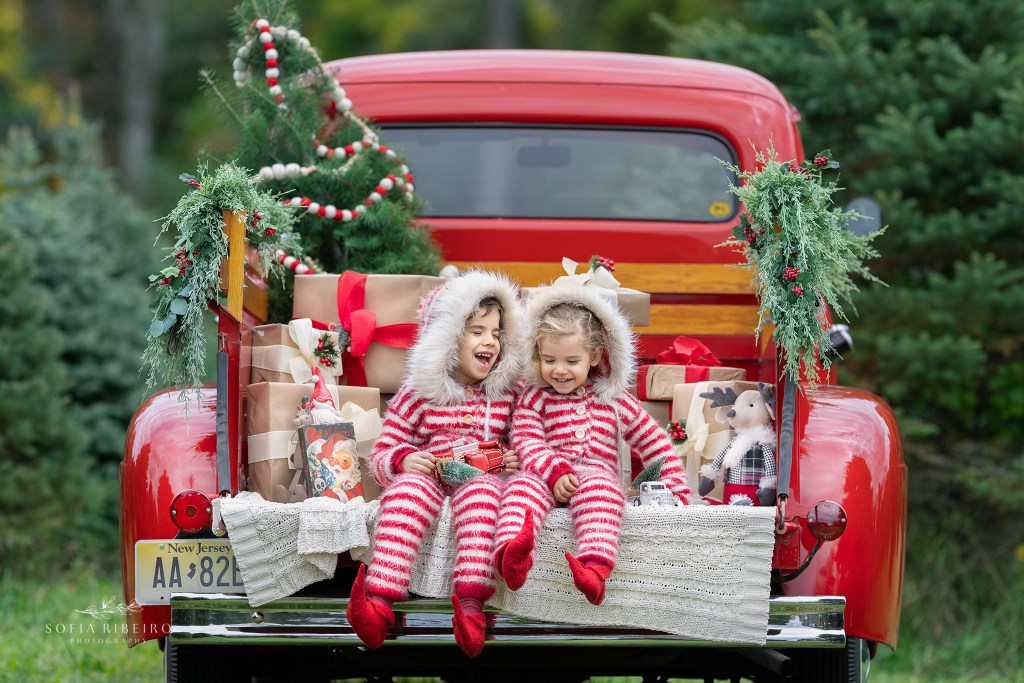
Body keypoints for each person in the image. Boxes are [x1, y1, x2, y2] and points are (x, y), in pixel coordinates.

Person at [346, 271, 524, 657]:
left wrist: (514, 458)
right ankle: (379, 602)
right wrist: (404, 459)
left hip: (482, 474)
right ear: (446, 338)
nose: (489, 342)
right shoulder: (418, 393)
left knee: (483, 493)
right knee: (405, 493)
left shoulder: (508, 395)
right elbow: (381, 455)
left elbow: (528, 441)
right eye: (477, 331)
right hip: (431, 474)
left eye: (496, 333)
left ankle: (472, 604)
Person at [494, 283, 693, 606]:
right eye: (549, 360)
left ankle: (594, 569)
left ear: (595, 355)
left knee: (604, 490)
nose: (558, 370)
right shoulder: (535, 398)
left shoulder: (611, 399)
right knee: (519, 488)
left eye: (571, 361)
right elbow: (526, 440)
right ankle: (512, 553)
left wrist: (675, 487)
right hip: (546, 475)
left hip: (591, 474)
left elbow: (654, 442)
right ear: (537, 355)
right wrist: (554, 471)